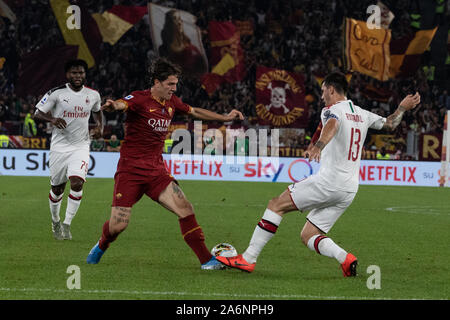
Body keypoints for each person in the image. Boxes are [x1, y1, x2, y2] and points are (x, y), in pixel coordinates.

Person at [217, 72, 421, 276]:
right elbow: (391, 124)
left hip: (329, 182)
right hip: (350, 189)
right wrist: (402, 107)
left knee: (275, 205)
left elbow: (332, 124)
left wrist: (318, 147)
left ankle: (248, 258)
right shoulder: (362, 113)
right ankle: (346, 259)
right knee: (309, 234)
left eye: (323, 91)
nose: (322, 95)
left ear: (331, 89)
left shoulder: (332, 110)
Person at [86, 58, 244, 270]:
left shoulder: (171, 102)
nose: (174, 88)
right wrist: (114, 105)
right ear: (156, 82)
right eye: (170, 84)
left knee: (185, 208)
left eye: (175, 84)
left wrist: (225, 118)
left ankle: (206, 260)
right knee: (118, 225)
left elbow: (195, 111)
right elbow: (123, 104)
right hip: (130, 171)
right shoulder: (140, 98)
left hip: (156, 172)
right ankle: (101, 244)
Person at [34, 59, 103, 240]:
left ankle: (67, 224)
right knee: (57, 188)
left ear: (85, 74)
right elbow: (37, 113)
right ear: (67, 75)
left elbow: (97, 110)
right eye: (74, 73)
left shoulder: (93, 94)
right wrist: (52, 119)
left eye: (81, 73)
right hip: (59, 147)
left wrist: (100, 127)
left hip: (81, 145)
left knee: (77, 182)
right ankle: (55, 221)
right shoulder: (57, 93)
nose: (78, 76)